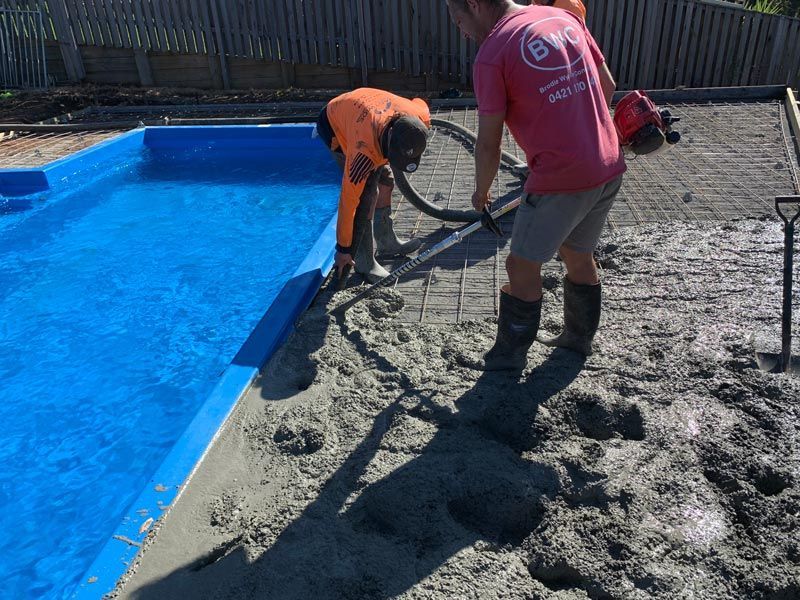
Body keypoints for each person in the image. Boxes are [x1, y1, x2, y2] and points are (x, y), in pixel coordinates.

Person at [445, 0, 625, 370]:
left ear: (475, 6)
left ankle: (507, 360)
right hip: (607, 161)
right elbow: (607, 85)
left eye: (459, 20)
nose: (461, 32)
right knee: (577, 254)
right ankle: (577, 341)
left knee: (521, 266)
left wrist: (482, 191)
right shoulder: (563, 17)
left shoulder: (493, 53)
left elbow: (488, 143)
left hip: (561, 177)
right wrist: (580, 129)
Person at [316, 88, 430, 283]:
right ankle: (365, 262)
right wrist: (343, 249)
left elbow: (419, 99)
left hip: (367, 110)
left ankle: (387, 241)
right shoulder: (362, 154)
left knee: (386, 183)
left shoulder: (419, 118)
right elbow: (348, 203)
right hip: (334, 124)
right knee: (367, 195)